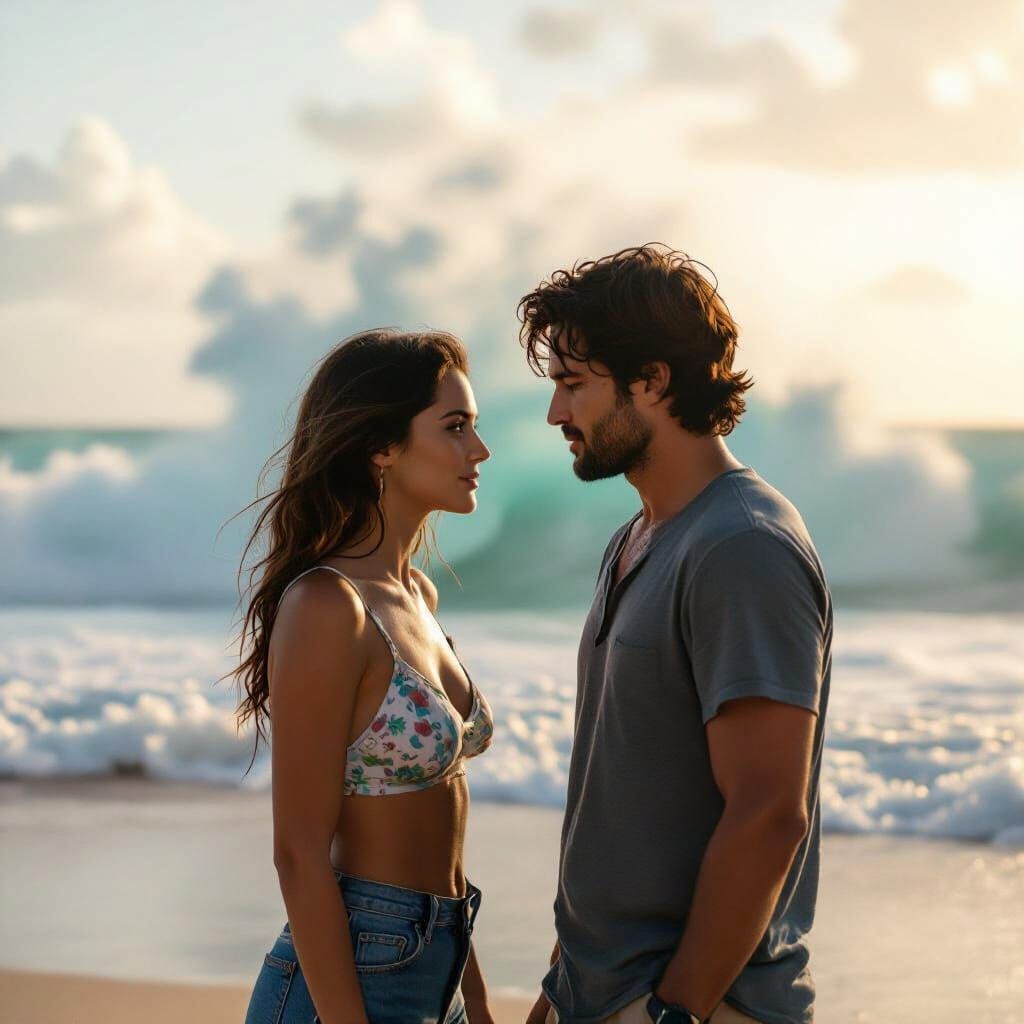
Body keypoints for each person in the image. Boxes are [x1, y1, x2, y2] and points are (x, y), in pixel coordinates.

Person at [517, 246, 832, 1024]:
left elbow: (768, 811)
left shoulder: (741, 545)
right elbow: (622, 796)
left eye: (573, 385)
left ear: (651, 380)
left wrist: (673, 1011)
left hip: (690, 1005)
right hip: (599, 995)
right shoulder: (640, 536)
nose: (557, 413)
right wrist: (562, 989)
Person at [231, 329, 495, 1024]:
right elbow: (298, 853)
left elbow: (446, 831)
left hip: (440, 959)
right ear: (382, 446)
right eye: (456, 427)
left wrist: (476, 995)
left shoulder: (417, 596)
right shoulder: (327, 605)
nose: (479, 450)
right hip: (356, 975)